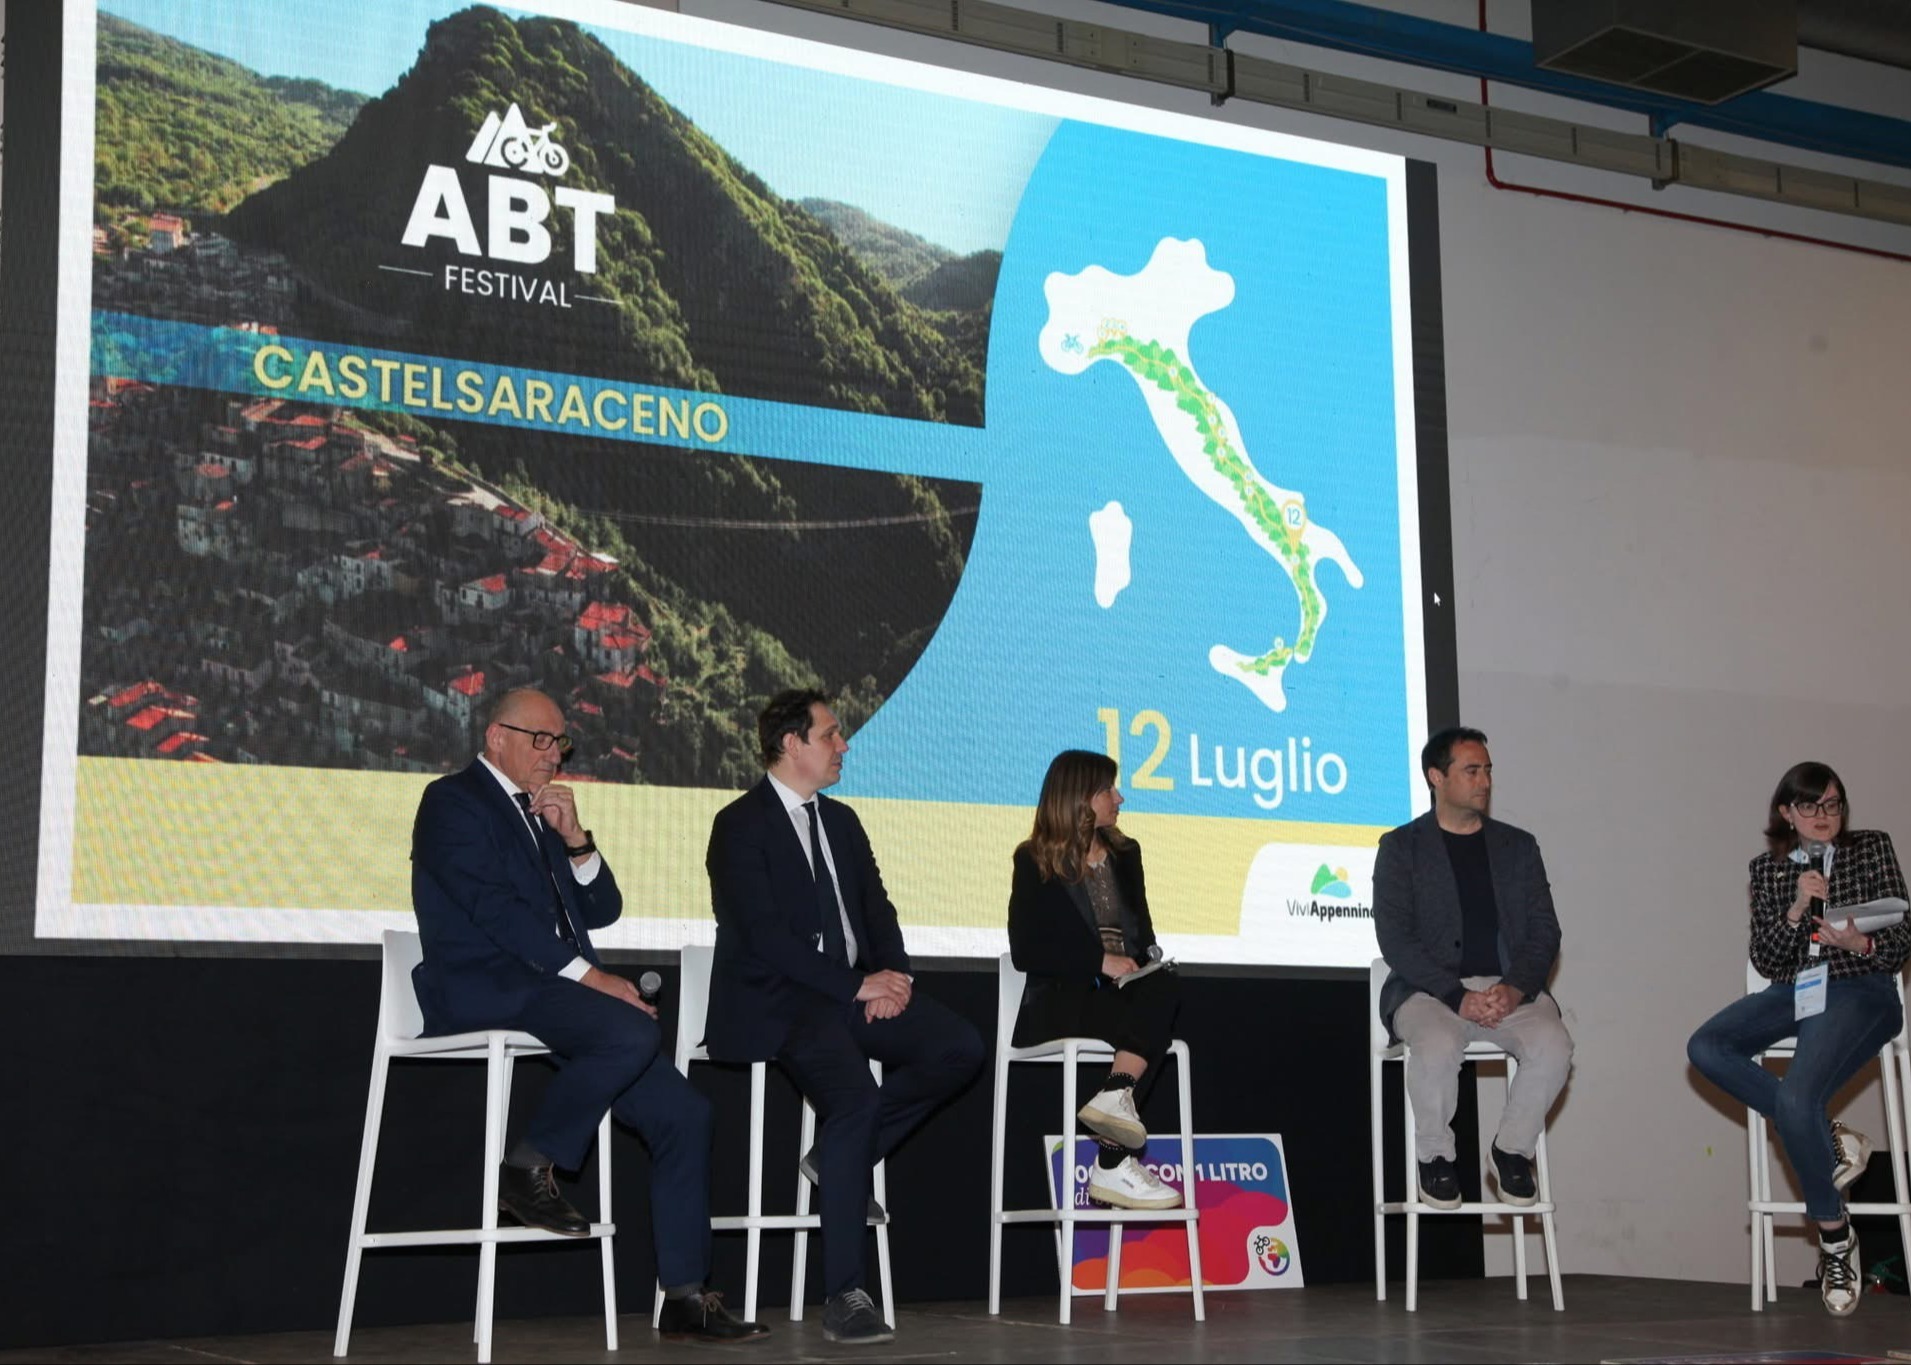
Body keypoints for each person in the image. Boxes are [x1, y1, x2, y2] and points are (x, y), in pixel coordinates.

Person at [411, 688, 766, 1343]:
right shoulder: (452, 801)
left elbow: (599, 908)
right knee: (630, 1025)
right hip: (482, 985)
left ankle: (685, 1295)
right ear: (495, 737)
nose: (553, 754)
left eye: (560, 742)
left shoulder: (537, 813)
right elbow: (497, 915)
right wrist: (591, 976)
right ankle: (529, 1165)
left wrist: (575, 839)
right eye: (540, 739)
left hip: (548, 993)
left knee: (686, 1112)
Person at [705, 689, 984, 1345]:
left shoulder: (844, 821)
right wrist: (856, 985)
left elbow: (876, 910)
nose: (844, 745)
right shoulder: (740, 823)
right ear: (791, 743)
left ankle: (837, 1157)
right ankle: (845, 1294)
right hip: (785, 1002)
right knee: (854, 1098)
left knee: (959, 1046)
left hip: (853, 993)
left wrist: (894, 978)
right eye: (831, 734)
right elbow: (766, 938)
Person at [1687, 761, 1909, 1317]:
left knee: (1793, 1096)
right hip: (1798, 989)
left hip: (1863, 987)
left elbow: (1903, 933)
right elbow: (1768, 957)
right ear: (1787, 812)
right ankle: (1828, 1134)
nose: (1823, 817)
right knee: (1707, 1047)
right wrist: (1794, 909)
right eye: (1809, 806)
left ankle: (1835, 1237)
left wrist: (1859, 944)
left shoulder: (1872, 848)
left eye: (1832, 805)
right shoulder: (1768, 869)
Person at [1374, 725, 1572, 1213]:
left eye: (1486, 770)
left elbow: (1546, 931)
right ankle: (1436, 1159)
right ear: (1435, 776)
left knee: (1555, 1045)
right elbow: (1396, 938)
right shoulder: (1401, 848)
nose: (1483, 781)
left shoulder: (1519, 847)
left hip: (1509, 989)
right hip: (1429, 990)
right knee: (1438, 1045)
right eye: (1471, 770)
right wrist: (1453, 993)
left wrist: (1515, 987)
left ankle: (1510, 1150)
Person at [1007, 750, 1183, 1210]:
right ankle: (1113, 1160)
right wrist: (1098, 962)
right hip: (1064, 998)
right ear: (1079, 797)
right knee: (1150, 1025)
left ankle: (1113, 1111)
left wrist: (1143, 962)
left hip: (1126, 995)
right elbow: (1028, 951)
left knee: (1165, 984)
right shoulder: (1033, 860)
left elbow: (1142, 934)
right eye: (1109, 789)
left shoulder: (1127, 854)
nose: (1119, 798)